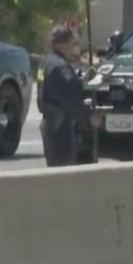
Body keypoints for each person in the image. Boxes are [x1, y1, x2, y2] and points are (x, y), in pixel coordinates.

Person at [37, 25, 101, 167]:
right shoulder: (61, 68)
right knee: (64, 171)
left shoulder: (45, 62)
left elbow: (54, 88)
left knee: (54, 169)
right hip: (61, 127)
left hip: (49, 123)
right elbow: (72, 99)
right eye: (73, 43)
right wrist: (90, 115)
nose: (74, 47)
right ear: (62, 44)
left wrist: (81, 80)